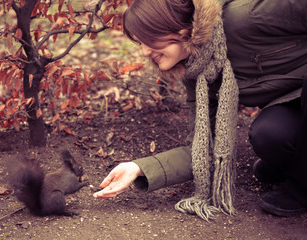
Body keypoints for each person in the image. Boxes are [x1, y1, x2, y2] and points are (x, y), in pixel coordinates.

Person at [93, 0, 307, 220]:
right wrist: (138, 168)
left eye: (149, 40)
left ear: (178, 28)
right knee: (269, 136)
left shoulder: (246, 16)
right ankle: (292, 164)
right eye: (140, 43)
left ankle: (300, 185)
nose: (145, 52)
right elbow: (203, 148)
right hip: (293, 99)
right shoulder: (199, 72)